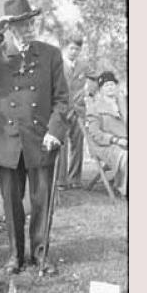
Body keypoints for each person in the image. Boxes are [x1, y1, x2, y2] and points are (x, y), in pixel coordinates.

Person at [0, 0, 70, 274]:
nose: (28, 28)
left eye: (30, 22)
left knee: (42, 200)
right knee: (11, 203)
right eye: (21, 24)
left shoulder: (50, 54)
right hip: (7, 141)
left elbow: (62, 99)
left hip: (40, 139)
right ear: (10, 27)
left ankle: (40, 255)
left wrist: (54, 131)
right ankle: (15, 256)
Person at [55, 34, 95, 190]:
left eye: (77, 49)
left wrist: (88, 92)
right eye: (71, 48)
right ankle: (61, 181)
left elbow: (96, 79)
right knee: (62, 144)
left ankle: (75, 179)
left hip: (78, 110)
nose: (74, 52)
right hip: (62, 110)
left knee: (77, 144)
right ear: (65, 48)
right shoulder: (57, 64)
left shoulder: (84, 65)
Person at [85, 71, 128, 196]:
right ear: (101, 89)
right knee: (125, 156)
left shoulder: (123, 104)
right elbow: (95, 134)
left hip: (125, 141)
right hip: (105, 145)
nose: (110, 87)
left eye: (112, 84)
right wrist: (115, 140)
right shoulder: (95, 107)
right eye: (106, 85)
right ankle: (124, 187)